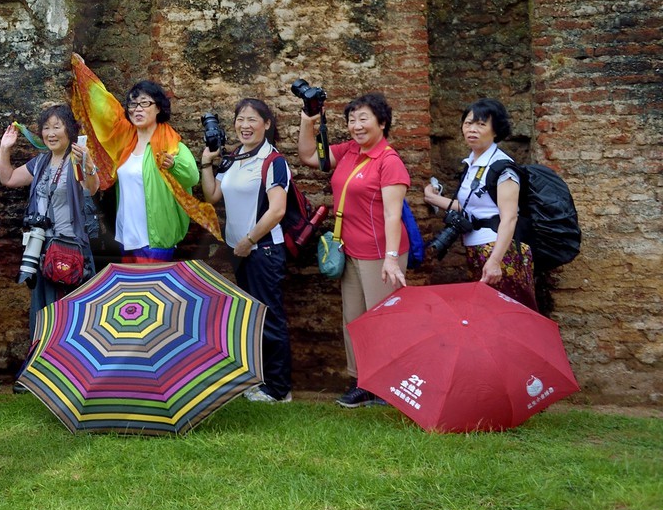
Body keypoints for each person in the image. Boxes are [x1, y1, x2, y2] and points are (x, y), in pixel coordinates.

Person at [299, 92, 410, 408]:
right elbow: (309, 155)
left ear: (382, 122)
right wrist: (309, 118)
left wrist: (391, 258)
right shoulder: (350, 151)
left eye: (364, 119)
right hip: (351, 251)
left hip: (380, 253)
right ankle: (363, 382)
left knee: (382, 321)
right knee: (355, 319)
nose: (357, 126)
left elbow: (393, 214)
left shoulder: (389, 162)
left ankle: (388, 386)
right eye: (352, 120)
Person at [0, 105, 100, 387]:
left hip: (70, 247)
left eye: (57, 126)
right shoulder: (40, 162)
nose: (51, 133)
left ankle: (73, 373)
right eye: (46, 128)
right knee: (42, 310)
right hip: (41, 248)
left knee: (70, 310)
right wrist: (5, 149)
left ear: (70, 129)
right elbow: (7, 179)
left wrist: (88, 163)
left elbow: (92, 188)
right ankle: (42, 373)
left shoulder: (77, 159)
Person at [199, 99, 293, 403]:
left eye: (253, 120)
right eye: (240, 119)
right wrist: (206, 163)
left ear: (266, 124)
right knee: (254, 317)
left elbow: (277, 210)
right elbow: (213, 195)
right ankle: (260, 381)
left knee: (270, 317)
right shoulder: (235, 157)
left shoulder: (273, 161)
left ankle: (279, 390)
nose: (245, 125)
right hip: (240, 251)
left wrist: (249, 240)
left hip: (262, 250)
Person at [422, 98, 537, 311]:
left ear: (496, 130)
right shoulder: (472, 163)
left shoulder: (502, 168)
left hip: (500, 251)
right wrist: (432, 198)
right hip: (476, 249)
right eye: (468, 123)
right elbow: (471, 206)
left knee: (508, 314)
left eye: (481, 124)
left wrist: (495, 261)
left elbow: (509, 217)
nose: (472, 129)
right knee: (486, 314)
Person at [113, 81, 203, 262]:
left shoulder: (171, 146)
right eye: (133, 104)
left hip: (156, 240)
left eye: (145, 103)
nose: (137, 109)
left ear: (158, 108)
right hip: (126, 237)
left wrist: (174, 165)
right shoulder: (125, 147)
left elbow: (192, 177)